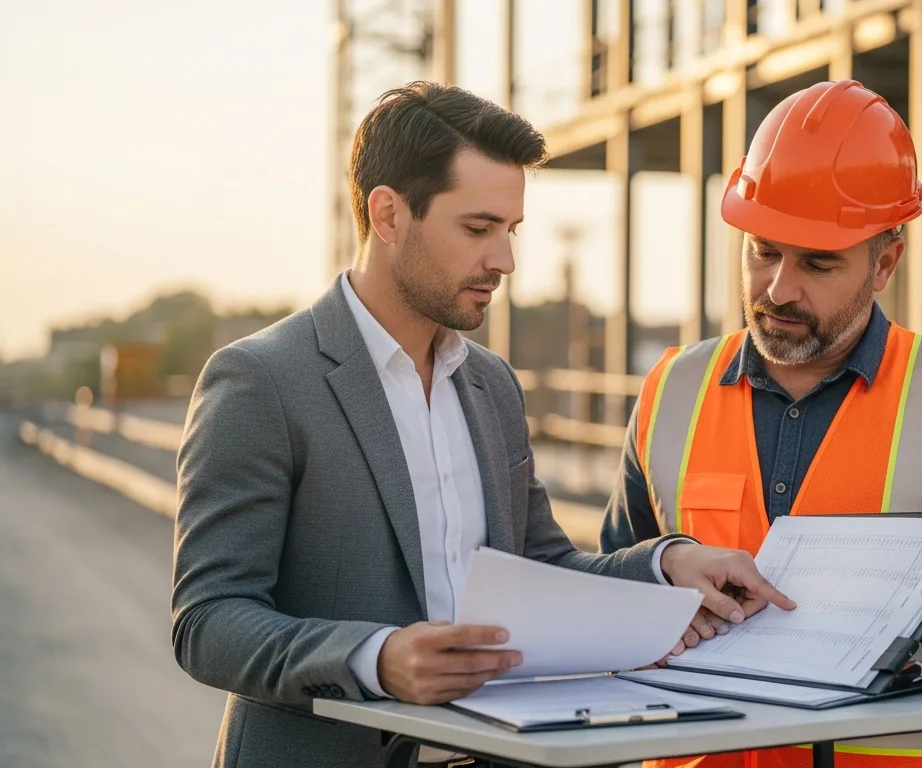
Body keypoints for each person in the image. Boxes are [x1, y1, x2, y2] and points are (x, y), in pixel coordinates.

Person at [171, 81, 791, 768]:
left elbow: (544, 566)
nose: (505, 261)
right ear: (388, 214)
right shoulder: (262, 381)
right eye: (477, 228)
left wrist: (665, 563)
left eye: (510, 229)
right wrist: (377, 659)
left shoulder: (490, 385)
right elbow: (208, 620)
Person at [599, 79, 922, 768]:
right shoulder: (671, 392)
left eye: (819, 263)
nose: (778, 288)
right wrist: (650, 581)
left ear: (886, 261)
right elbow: (607, 582)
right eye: (763, 250)